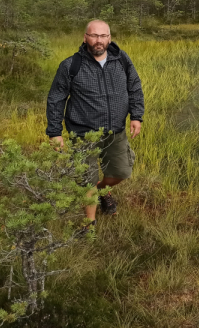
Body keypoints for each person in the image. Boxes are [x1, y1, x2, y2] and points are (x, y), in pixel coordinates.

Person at [46, 20, 144, 225]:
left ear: (109, 38)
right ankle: (89, 224)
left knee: (121, 172)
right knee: (86, 180)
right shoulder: (71, 65)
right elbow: (56, 98)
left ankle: (102, 191)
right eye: (94, 35)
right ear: (85, 38)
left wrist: (136, 116)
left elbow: (134, 86)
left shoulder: (121, 59)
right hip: (82, 134)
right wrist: (55, 132)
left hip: (115, 131)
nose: (98, 40)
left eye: (103, 36)